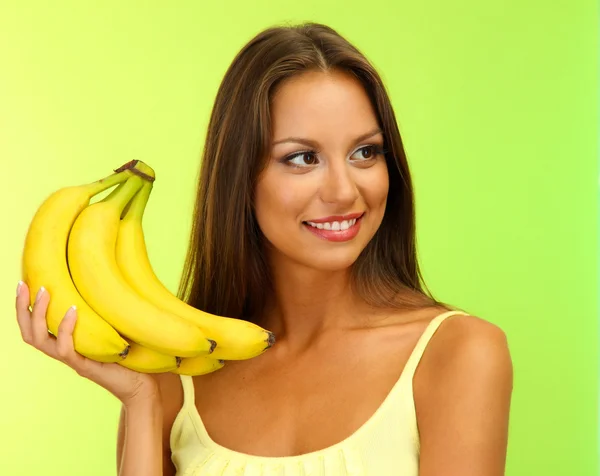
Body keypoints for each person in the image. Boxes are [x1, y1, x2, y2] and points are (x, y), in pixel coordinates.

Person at [15, 22, 513, 475]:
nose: (344, 190)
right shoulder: (180, 371)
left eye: (366, 152)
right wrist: (141, 402)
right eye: (302, 157)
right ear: (240, 179)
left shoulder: (459, 355)